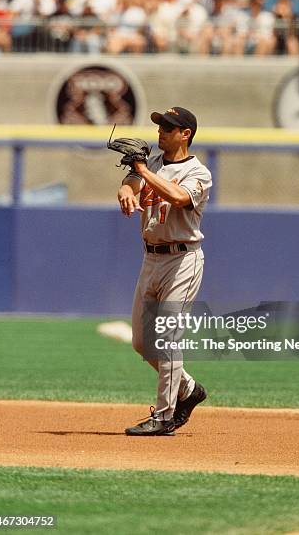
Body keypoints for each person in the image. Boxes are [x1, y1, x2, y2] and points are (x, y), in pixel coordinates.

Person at [118, 107, 212, 436]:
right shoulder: (153, 163)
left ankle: (164, 415)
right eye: (160, 126)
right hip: (150, 258)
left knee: (168, 339)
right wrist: (127, 188)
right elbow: (131, 182)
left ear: (185, 134)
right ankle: (189, 390)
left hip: (182, 260)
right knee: (144, 343)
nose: (161, 132)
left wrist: (141, 170)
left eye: (169, 128)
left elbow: (176, 195)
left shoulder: (199, 172)